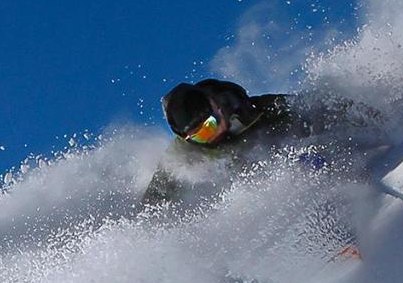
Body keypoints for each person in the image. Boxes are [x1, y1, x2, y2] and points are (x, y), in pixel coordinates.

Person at [142, 78, 386, 208]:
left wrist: (376, 120)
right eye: (199, 136)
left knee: (303, 161)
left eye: (210, 125)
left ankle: (345, 201)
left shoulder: (258, 110)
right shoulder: (184, 153)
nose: (210, 137)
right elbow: (158, 194)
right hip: (257, 197)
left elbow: (318, 106)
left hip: (301, 161)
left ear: (217, 107)